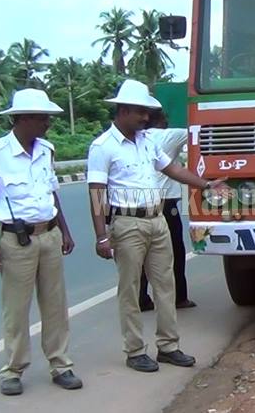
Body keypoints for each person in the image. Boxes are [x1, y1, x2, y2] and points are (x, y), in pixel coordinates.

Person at [86, 80, 227, 373]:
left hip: (157, 219)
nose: (145, 117)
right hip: (127, 223)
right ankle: (135, 350)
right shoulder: (103, 147)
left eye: (147, 112)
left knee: (166, 285)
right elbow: (96, 191)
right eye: (140, 112)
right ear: (123, 111)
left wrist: (205, 185)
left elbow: (173, 169)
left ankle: (168, 346)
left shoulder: (147, 141)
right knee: (131, 289)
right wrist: (101, 236)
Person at [0, 89, 82, 396]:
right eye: (41, 118)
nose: (47, 123)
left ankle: (60, 364)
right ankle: (13, 369)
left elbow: (52, 192)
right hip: (16, 239)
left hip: (49, 235)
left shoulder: (47, 150)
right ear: (21, 119)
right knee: (16, 308)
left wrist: (65, 230)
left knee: (55, 304)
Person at [139, 109, 195, 311]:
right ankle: (179, 297)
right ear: (161, 121)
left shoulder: (137, 139)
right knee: (175, 252)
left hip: (141, 204)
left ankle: (141, 298)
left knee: (142, 253)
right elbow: (195, 130)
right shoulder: (169, 135)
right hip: (166, 204)